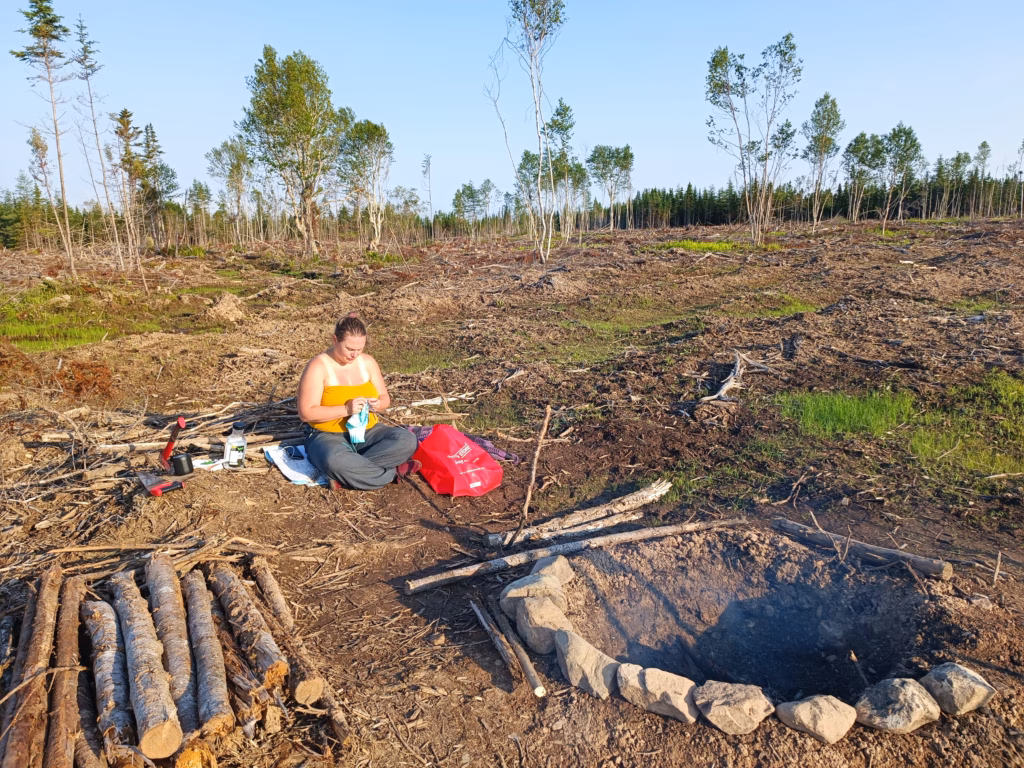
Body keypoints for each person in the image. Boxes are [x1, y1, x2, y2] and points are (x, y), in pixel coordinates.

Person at [297, 314, 419, 489]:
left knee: (407, 440)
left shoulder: (368, 362)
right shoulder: (318, 366)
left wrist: (378, 404)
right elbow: (306, 413)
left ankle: (348, 474)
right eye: (349, 349)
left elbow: (385, 398)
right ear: (335, 340)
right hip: (327, 436)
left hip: (367, 432)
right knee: (334, 460)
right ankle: (391, 473)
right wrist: (346, 409)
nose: (354, 354)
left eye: (359, 349)